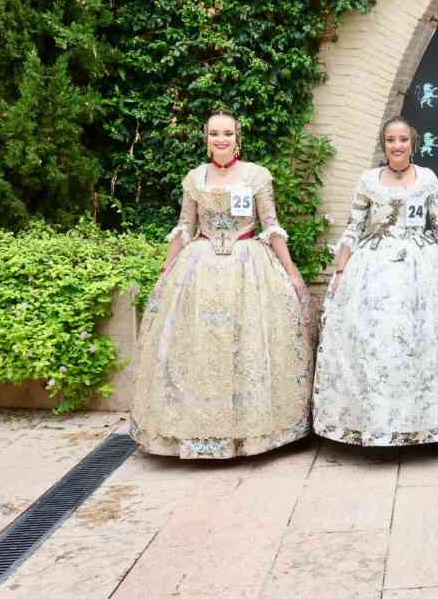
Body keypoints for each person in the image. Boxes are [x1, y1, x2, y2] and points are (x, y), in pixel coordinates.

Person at [130, 110, 313, 459]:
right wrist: (166, 269)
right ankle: (197, 429)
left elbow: (271, 225)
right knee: (199, 346)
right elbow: (185, 227)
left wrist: (291, 271)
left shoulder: (257, 176)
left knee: (246, 344)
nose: (221, 139)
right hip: (199, 266)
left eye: (227, 133)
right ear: (206, 139)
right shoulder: (194, 179)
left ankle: (249, 433)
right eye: (214, 133)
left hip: (247, 266)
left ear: (237, 138)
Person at [312, 117, 438, 446]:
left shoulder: (427, 179)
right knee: (376, 341)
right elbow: (353, 228)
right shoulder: (368, 180)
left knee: (420, 343)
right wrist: (340, 272)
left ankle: (422, 423)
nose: (396, 145)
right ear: (383, 144)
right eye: (390, 140)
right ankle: (377, 422)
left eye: (402, 140)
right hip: (373, 266)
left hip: (421, 266)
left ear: (413, 143)